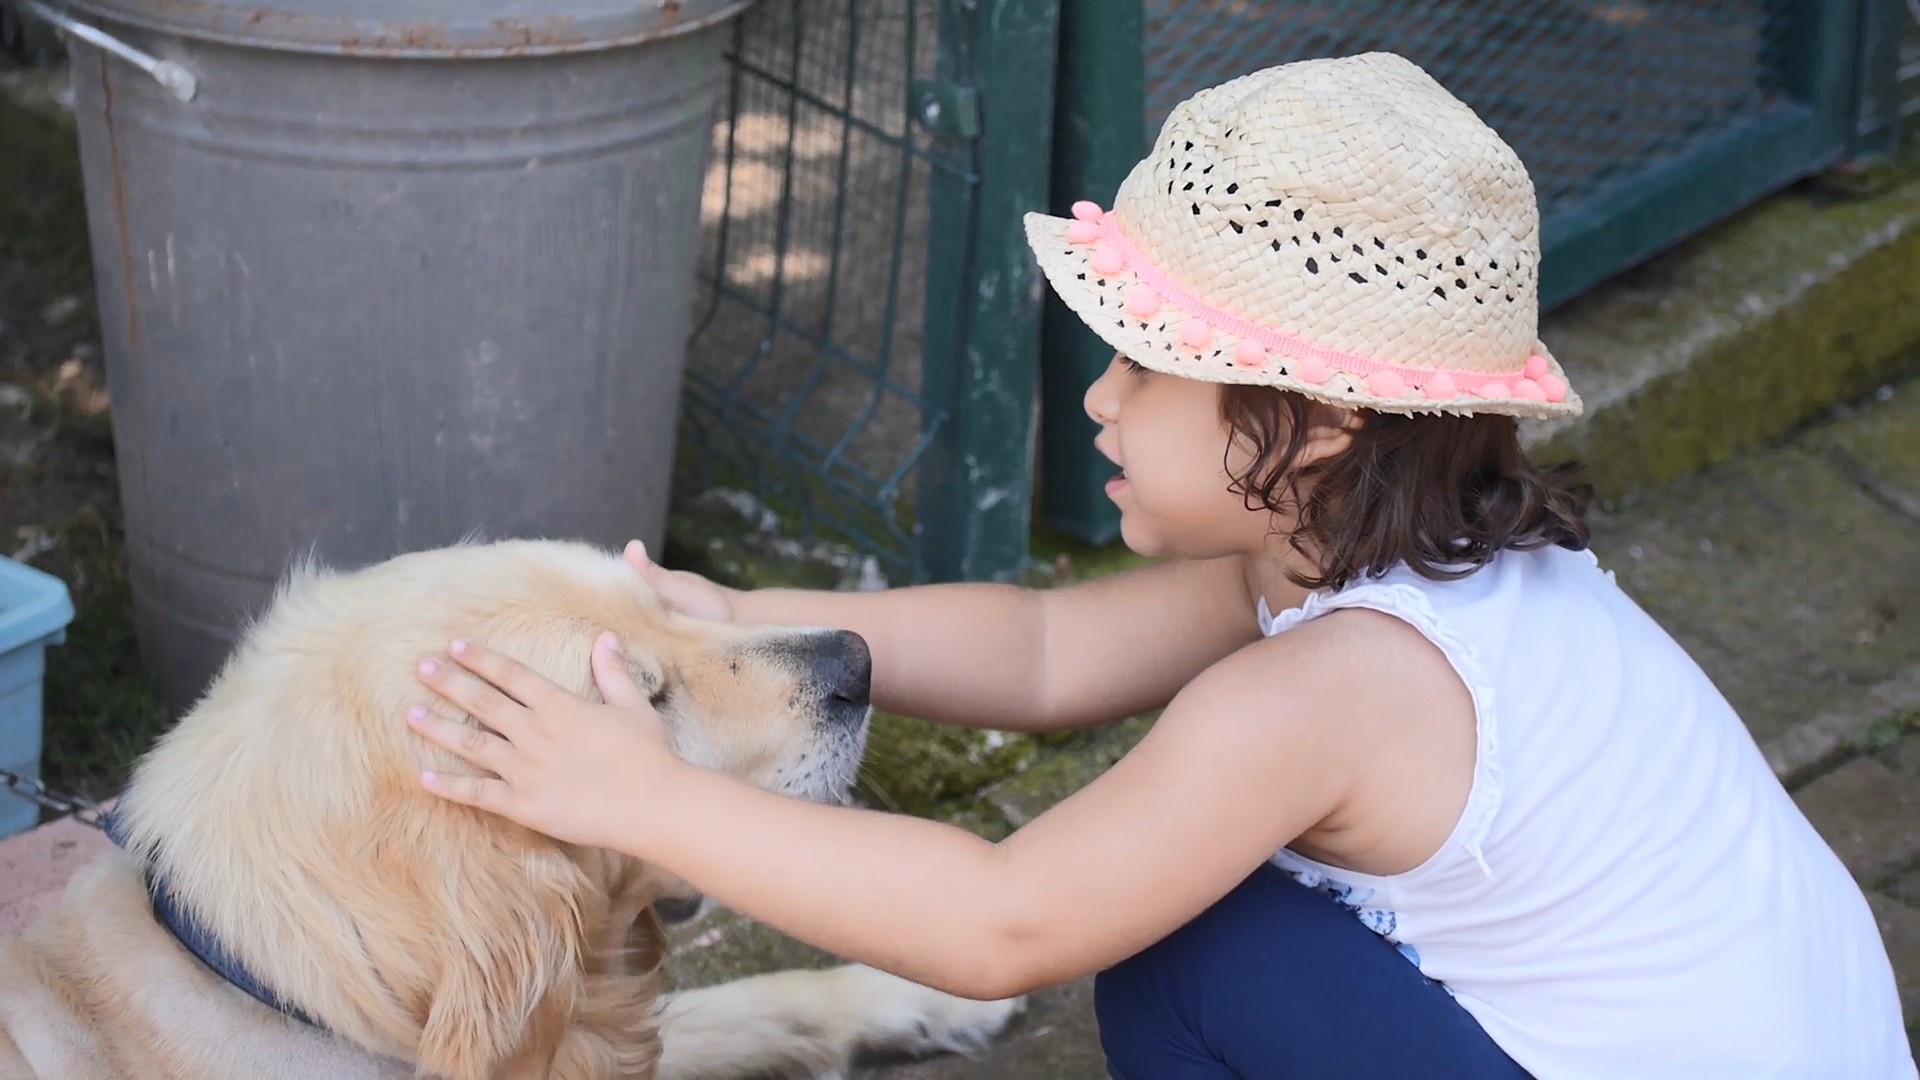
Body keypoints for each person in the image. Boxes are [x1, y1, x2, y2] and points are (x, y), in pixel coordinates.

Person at [402, 53, 1915, 1078]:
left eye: (1149, 363)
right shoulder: (1393, 556)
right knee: (1223, 913)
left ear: (1315, 424)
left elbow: (1005, 921)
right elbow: (1049, 654)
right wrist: (746, 616)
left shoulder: (1330, 692)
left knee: (1187, 952)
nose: (1100, 398)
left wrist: (642, 798)